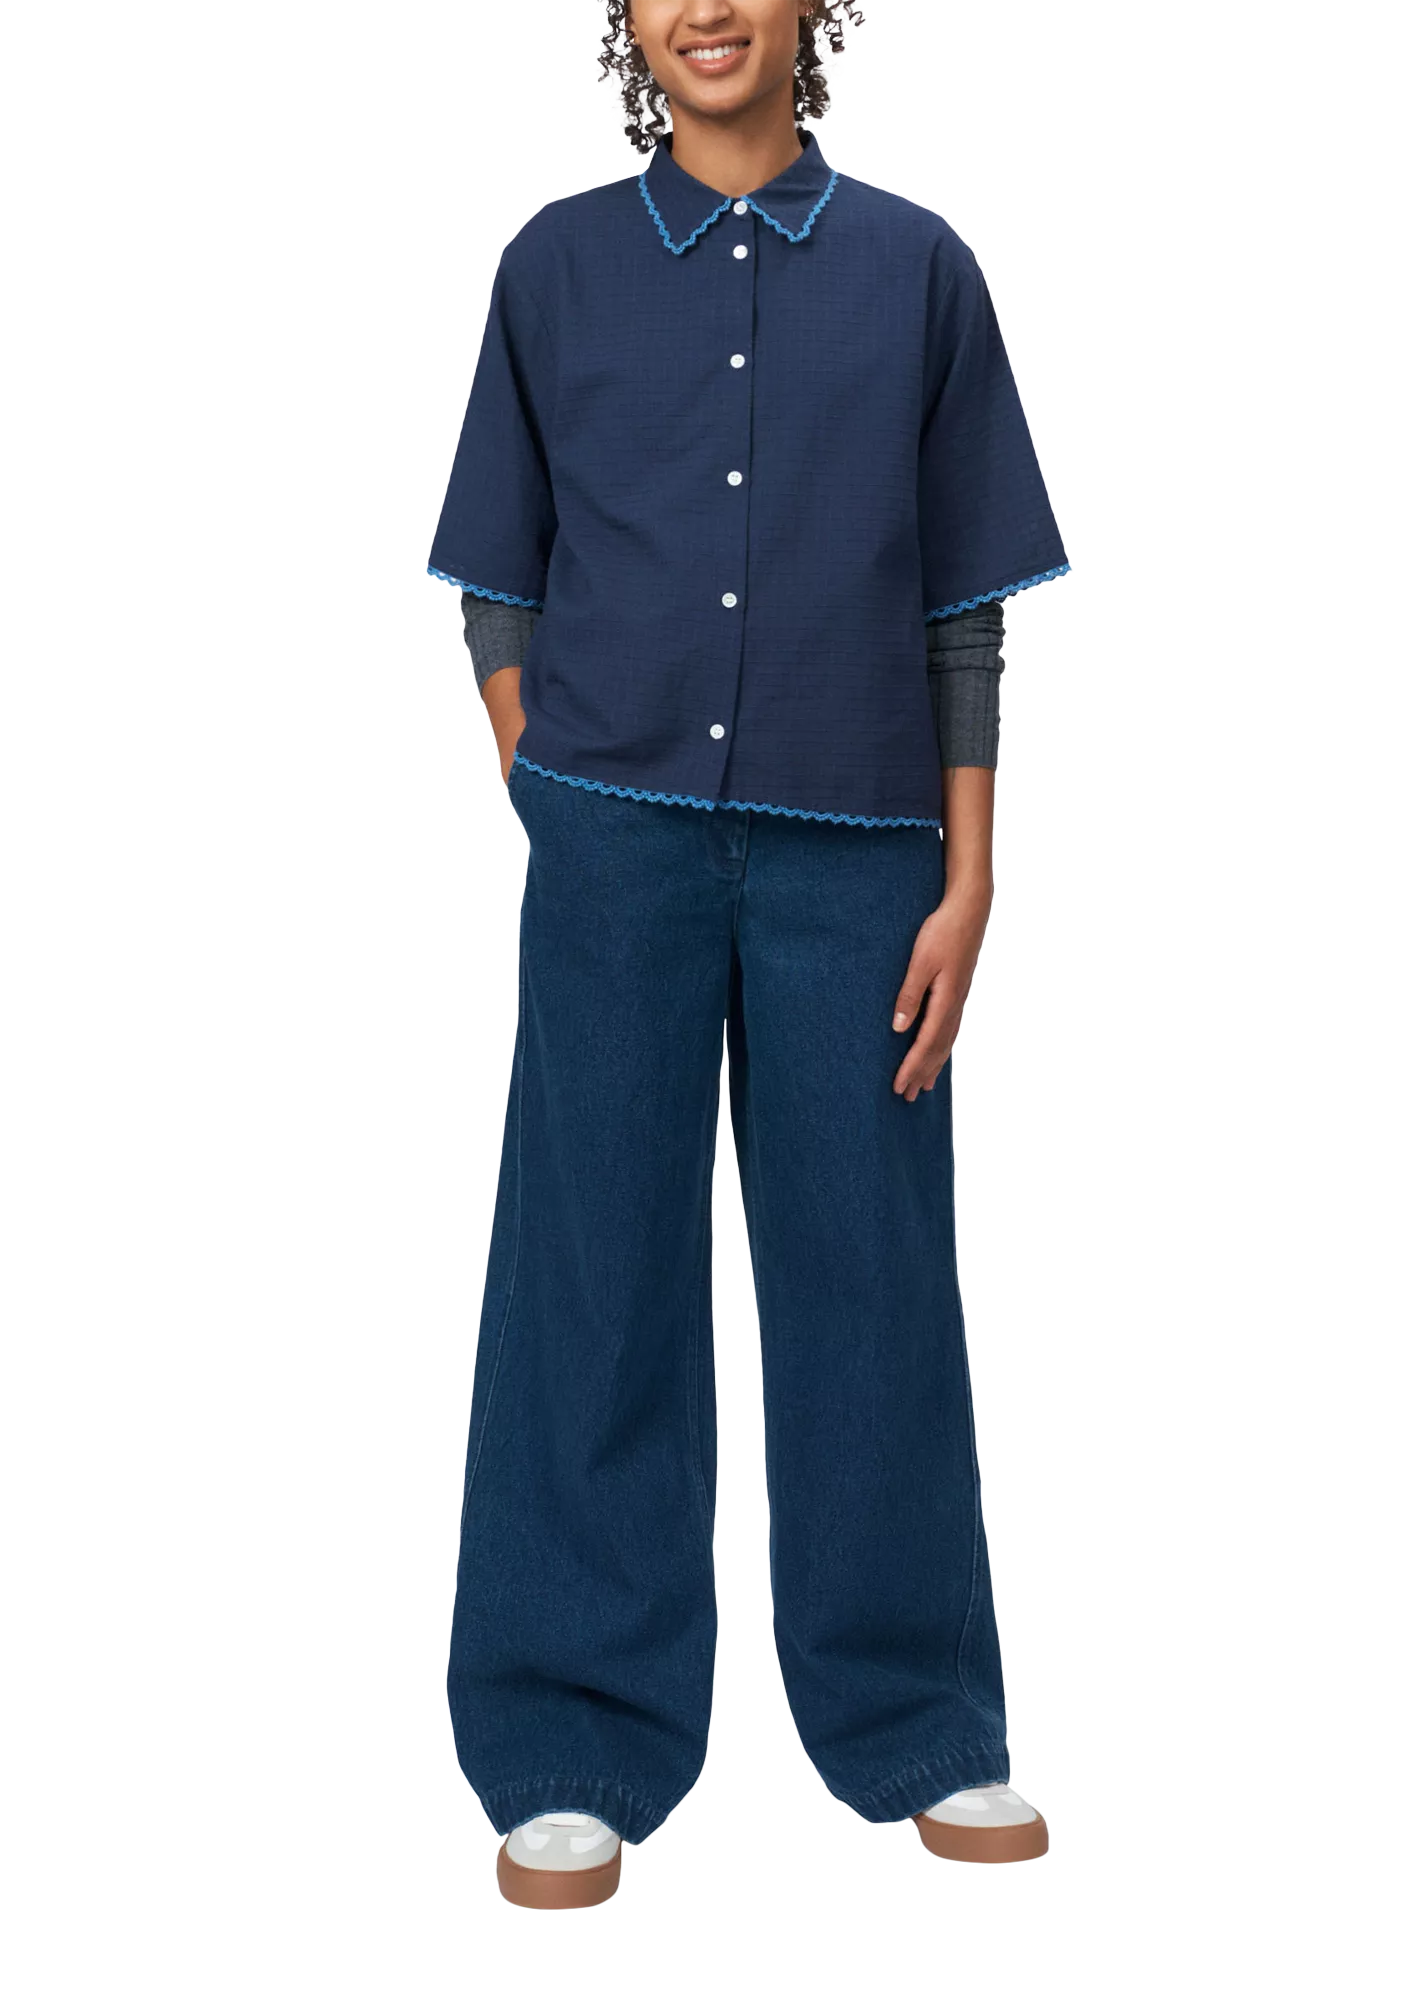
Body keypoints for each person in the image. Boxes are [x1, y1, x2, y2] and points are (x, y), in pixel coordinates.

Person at [428, 0, 1070, 1911]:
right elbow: (497, 573)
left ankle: (918, 1716)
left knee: (873, 1284)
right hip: (612, 847)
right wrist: (547, 783)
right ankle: (569, 1735)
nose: (706, 5)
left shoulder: (920, 271)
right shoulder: (551, 268)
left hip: (860, 860)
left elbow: (966, 609)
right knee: (592, 1279)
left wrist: (969, 877)